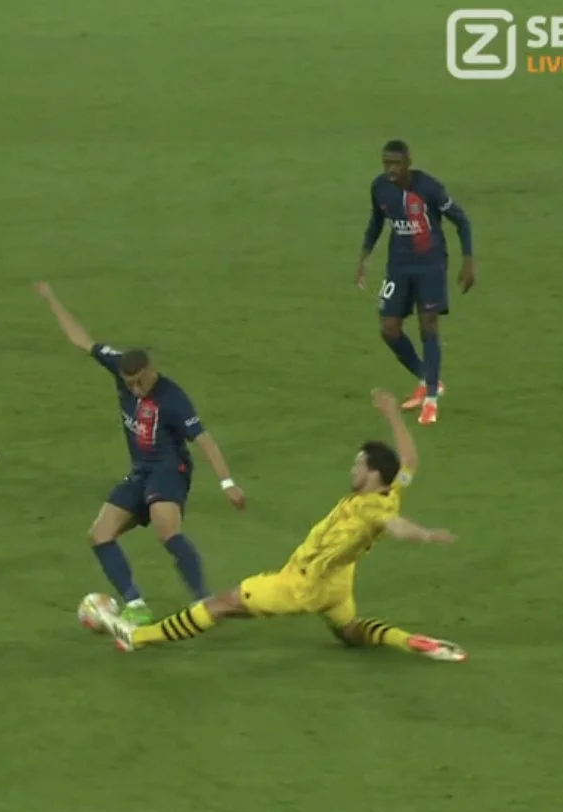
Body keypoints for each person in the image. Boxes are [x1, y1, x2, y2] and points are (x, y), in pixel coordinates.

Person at [106, 389, 466, 663]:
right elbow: (410, 459)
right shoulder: (391, 490)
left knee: (223, 604)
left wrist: (424, 534)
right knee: (352, 633)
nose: (352, 469)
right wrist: (392, 414)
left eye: (358, 465)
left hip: (302, 584)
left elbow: (396, 526)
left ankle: (137, 637)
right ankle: (410, 641)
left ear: (372, 473)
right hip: (338, 583)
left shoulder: (372, 509)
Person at [34, 282, 243, 622]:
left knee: (166, 530)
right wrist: (51, 300)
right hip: (141, 471)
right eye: (128, 383)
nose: (133, 389)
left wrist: (227, 483)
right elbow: (82, 340)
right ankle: (135, 605)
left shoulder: (173, 398)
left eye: (138, 382)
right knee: (99, 535)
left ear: (150, 370)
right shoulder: (120, 367)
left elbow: (203, 439)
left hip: (170, 470)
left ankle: (205, 601)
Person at [357, 140, 474, 426]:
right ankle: (427, 377)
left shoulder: (429, 188)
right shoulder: (380, 188)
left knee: (428, 325)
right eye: (386, 163)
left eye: (396, 164)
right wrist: (364, 258)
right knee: (389, 327)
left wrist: (468, 260)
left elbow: (461, 220)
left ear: (408, 162)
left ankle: (431, 399)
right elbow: (376, 222)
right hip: (398, 266)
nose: (391, 169)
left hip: (430, 265)